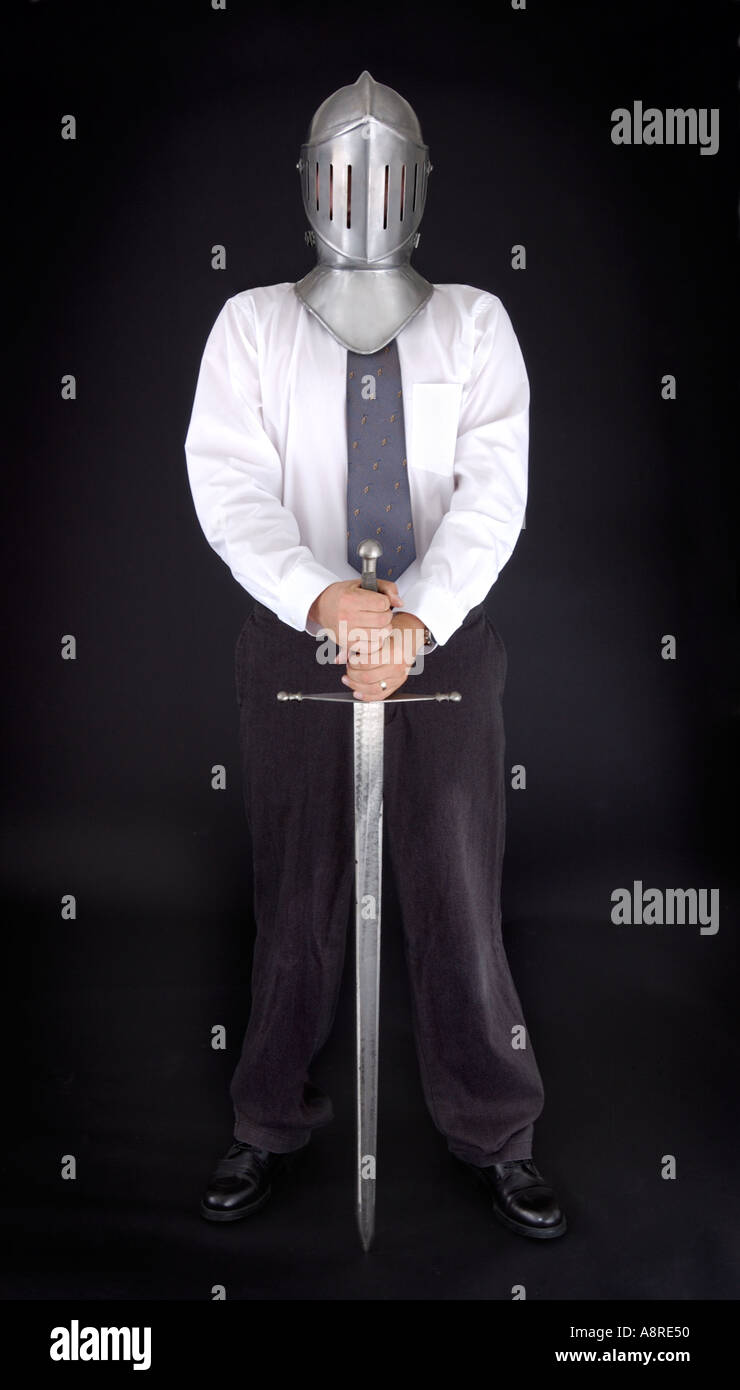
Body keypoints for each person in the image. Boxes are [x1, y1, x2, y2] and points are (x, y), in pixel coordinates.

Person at [184, 71, 566, 1240]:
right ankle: (264, 1121)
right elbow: (229, 485)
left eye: (383, 174)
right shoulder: (249, 321)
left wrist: (411, 618)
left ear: (418, 187)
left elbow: (492, 497)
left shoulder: (474, 321)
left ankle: (494, 1129)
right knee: (296, 896)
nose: (362, 193)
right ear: (308, 186)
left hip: (443, 640)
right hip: (297, 646)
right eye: (339, 175)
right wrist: (326, 600)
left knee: (456, 893)